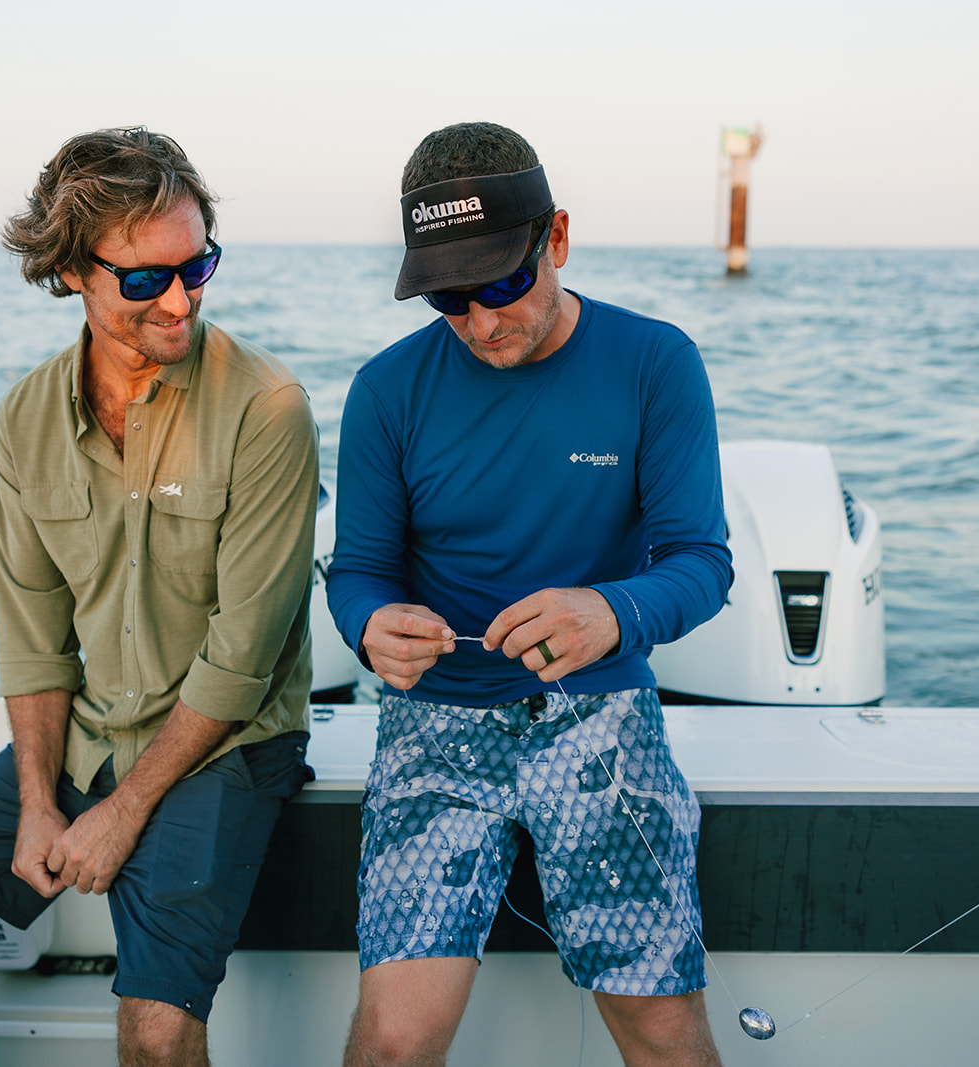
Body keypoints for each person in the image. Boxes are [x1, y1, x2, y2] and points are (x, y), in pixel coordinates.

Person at [0, 127, 320, 1067]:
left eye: (199, 266)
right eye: (145, 279)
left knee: (154, 1026)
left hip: (227, 744)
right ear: (69, 272)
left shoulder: (269, 408)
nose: (181, 299)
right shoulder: (25, 416)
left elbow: (243, 657)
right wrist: (37, 801)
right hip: (90, 731)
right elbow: (33, 639)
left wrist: (124, 808)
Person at [327, 122, 733, 1067]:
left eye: (504, 284)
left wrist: (612, 612)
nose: (481, 322)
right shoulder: (385, 391)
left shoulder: (655, 362)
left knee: (663, 1030)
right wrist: (368, 628)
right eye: (448, 299)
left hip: (599, 717)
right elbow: (359, 573)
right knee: (392, 1040)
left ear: (555, 238)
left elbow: (699, 562)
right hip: (435, 727)